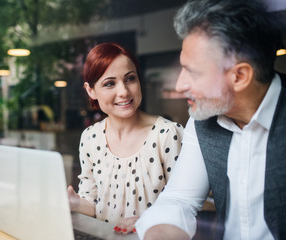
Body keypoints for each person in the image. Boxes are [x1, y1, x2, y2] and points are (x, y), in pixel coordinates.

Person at [135, 0, 285, 239]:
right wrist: (159, 232)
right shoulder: (204, 117)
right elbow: (179, 200)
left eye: (192, 72)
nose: (180, 85)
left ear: (240, 76)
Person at [67, 42, 184, 234]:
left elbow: (183, 205)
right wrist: (75, 203)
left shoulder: (167, 134)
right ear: (91, 90)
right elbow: (93, 204)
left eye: (130, 79)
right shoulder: (90, 137)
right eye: (109, 83)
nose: (124, 91)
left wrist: (149, 220)